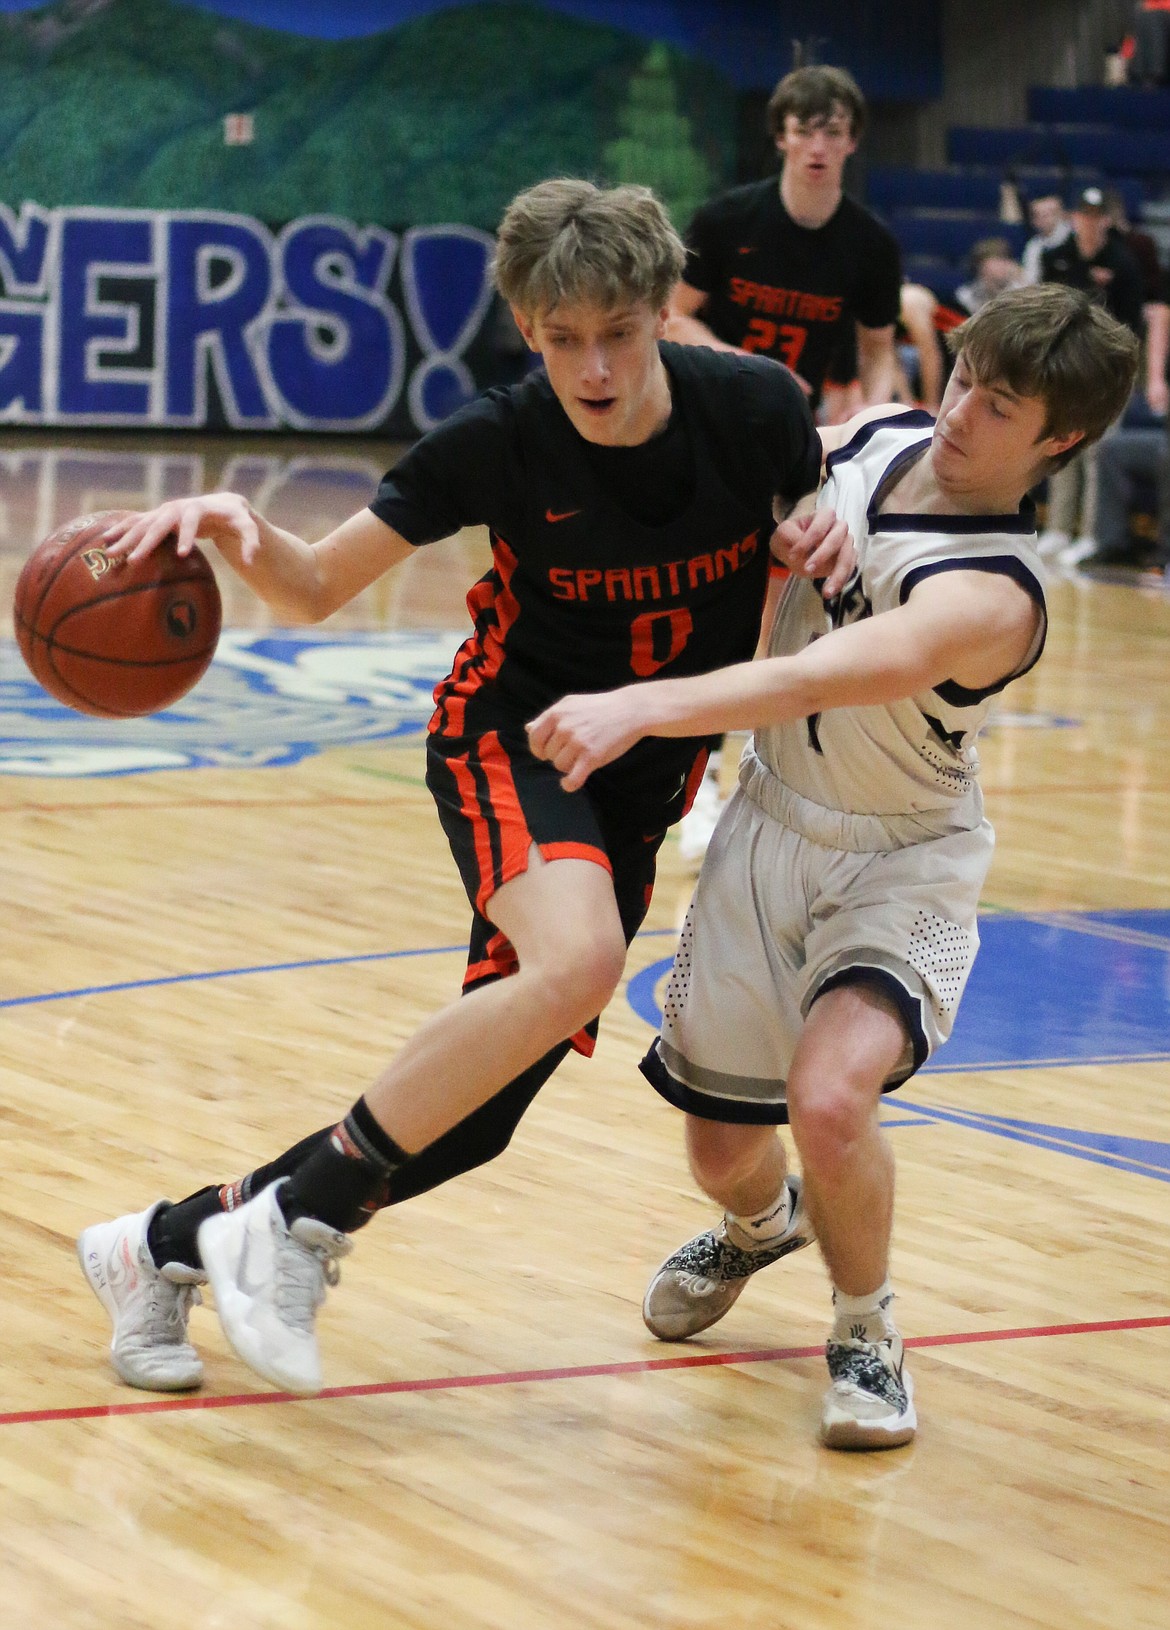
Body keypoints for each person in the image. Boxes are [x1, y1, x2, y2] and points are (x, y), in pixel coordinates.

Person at [75, 177, 849, 1398]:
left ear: (663, 310)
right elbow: (318, 585)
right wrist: (239, 526)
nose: (591, 367)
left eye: (618, 333)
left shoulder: (754, 409)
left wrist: (828, 529)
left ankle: (163, 1243)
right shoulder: (497, 439)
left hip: (642, 778)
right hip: (513, 740)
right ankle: (298, 1227)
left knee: (473, 1116)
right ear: (525, 327)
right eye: (560, 340)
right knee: (582, 959)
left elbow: (818, 536)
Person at [526, 284, 1138, 1450]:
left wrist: (639, 708)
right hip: (772, 827)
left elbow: (814, 675)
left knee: (829, 1093)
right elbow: (762, 503)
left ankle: (867, 1328)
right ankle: (764, 1226)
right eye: (962, 377)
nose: (959, 412)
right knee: (719, 1149)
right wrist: (781, 528)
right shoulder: (878, 436)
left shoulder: (993, 593)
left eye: (998, 406)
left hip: (903, 855)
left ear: (1058, 440)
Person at [662, 63, 903, 862]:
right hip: (711, 436)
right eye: (805, 129)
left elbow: (877, 356)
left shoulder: (868, 246)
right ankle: (686, 786)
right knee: (701, 613)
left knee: (781, 627)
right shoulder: (730, 221)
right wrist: (746, 368)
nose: (818, 144)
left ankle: (754, 791)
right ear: (781, 137)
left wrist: (872, 424)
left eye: (834, 130)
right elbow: (671, 319)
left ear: (852, 142)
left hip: (799, 456)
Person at [1038, 187, 1146, 563]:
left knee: (1097, 451)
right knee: (1060, 444)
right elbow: (1046, 311)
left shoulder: (1124, 262)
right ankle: (1058, 529)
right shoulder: (1058, 258)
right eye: (1084, 214)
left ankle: (1090, 533)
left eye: (1097, 215)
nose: (1090, 222)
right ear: (1075, 217)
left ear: (1106, 220)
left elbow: (1134, 326)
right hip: (1066, 370)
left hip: (1107, 373)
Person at [953, 237, 1027, 316]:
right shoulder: (965, 295)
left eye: (1004, 259)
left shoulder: (1020, 289)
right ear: (980, 266)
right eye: (996, 260)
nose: (1003, 265)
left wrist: (1021, 278)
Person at [1020, 192, 1070, 285]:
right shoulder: (1034, 246)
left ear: (1062, 214)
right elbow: (1030, 279)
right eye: (1038, 215)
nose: (1043, 219)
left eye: (1049, 214)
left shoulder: (1076, 237)